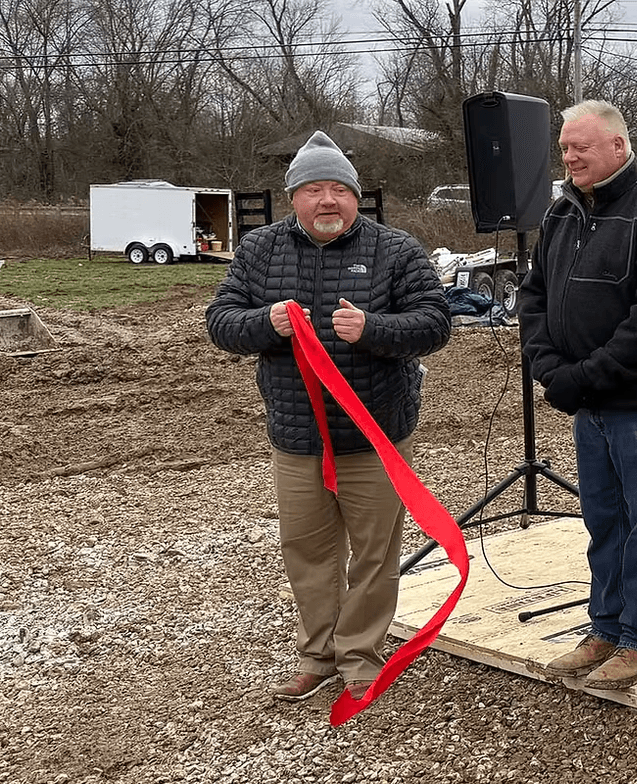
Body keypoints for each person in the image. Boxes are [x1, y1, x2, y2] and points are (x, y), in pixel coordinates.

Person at [206, 131, 452, 702]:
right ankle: (317, 656)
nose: (327, 201)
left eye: (339, 190)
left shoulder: (396, 249)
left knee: (374, 555)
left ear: (355, 197)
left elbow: (436, 323)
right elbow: (220, 321)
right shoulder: (259, 249)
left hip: (375, 436)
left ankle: (360, 657)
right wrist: (265, 323)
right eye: (313, 189)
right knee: (309, 552)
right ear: (293, 197)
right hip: (297, 439)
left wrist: (374, 329)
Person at [521, 100, 637, 690]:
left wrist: (581, 377)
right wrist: (549, 367)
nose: (570, 158)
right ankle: (605, 627)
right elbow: (533, 297)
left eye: (581, 147)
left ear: (618, 146)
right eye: (565, 149)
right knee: (602, 520)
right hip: (587, 404)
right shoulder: (561, 213)